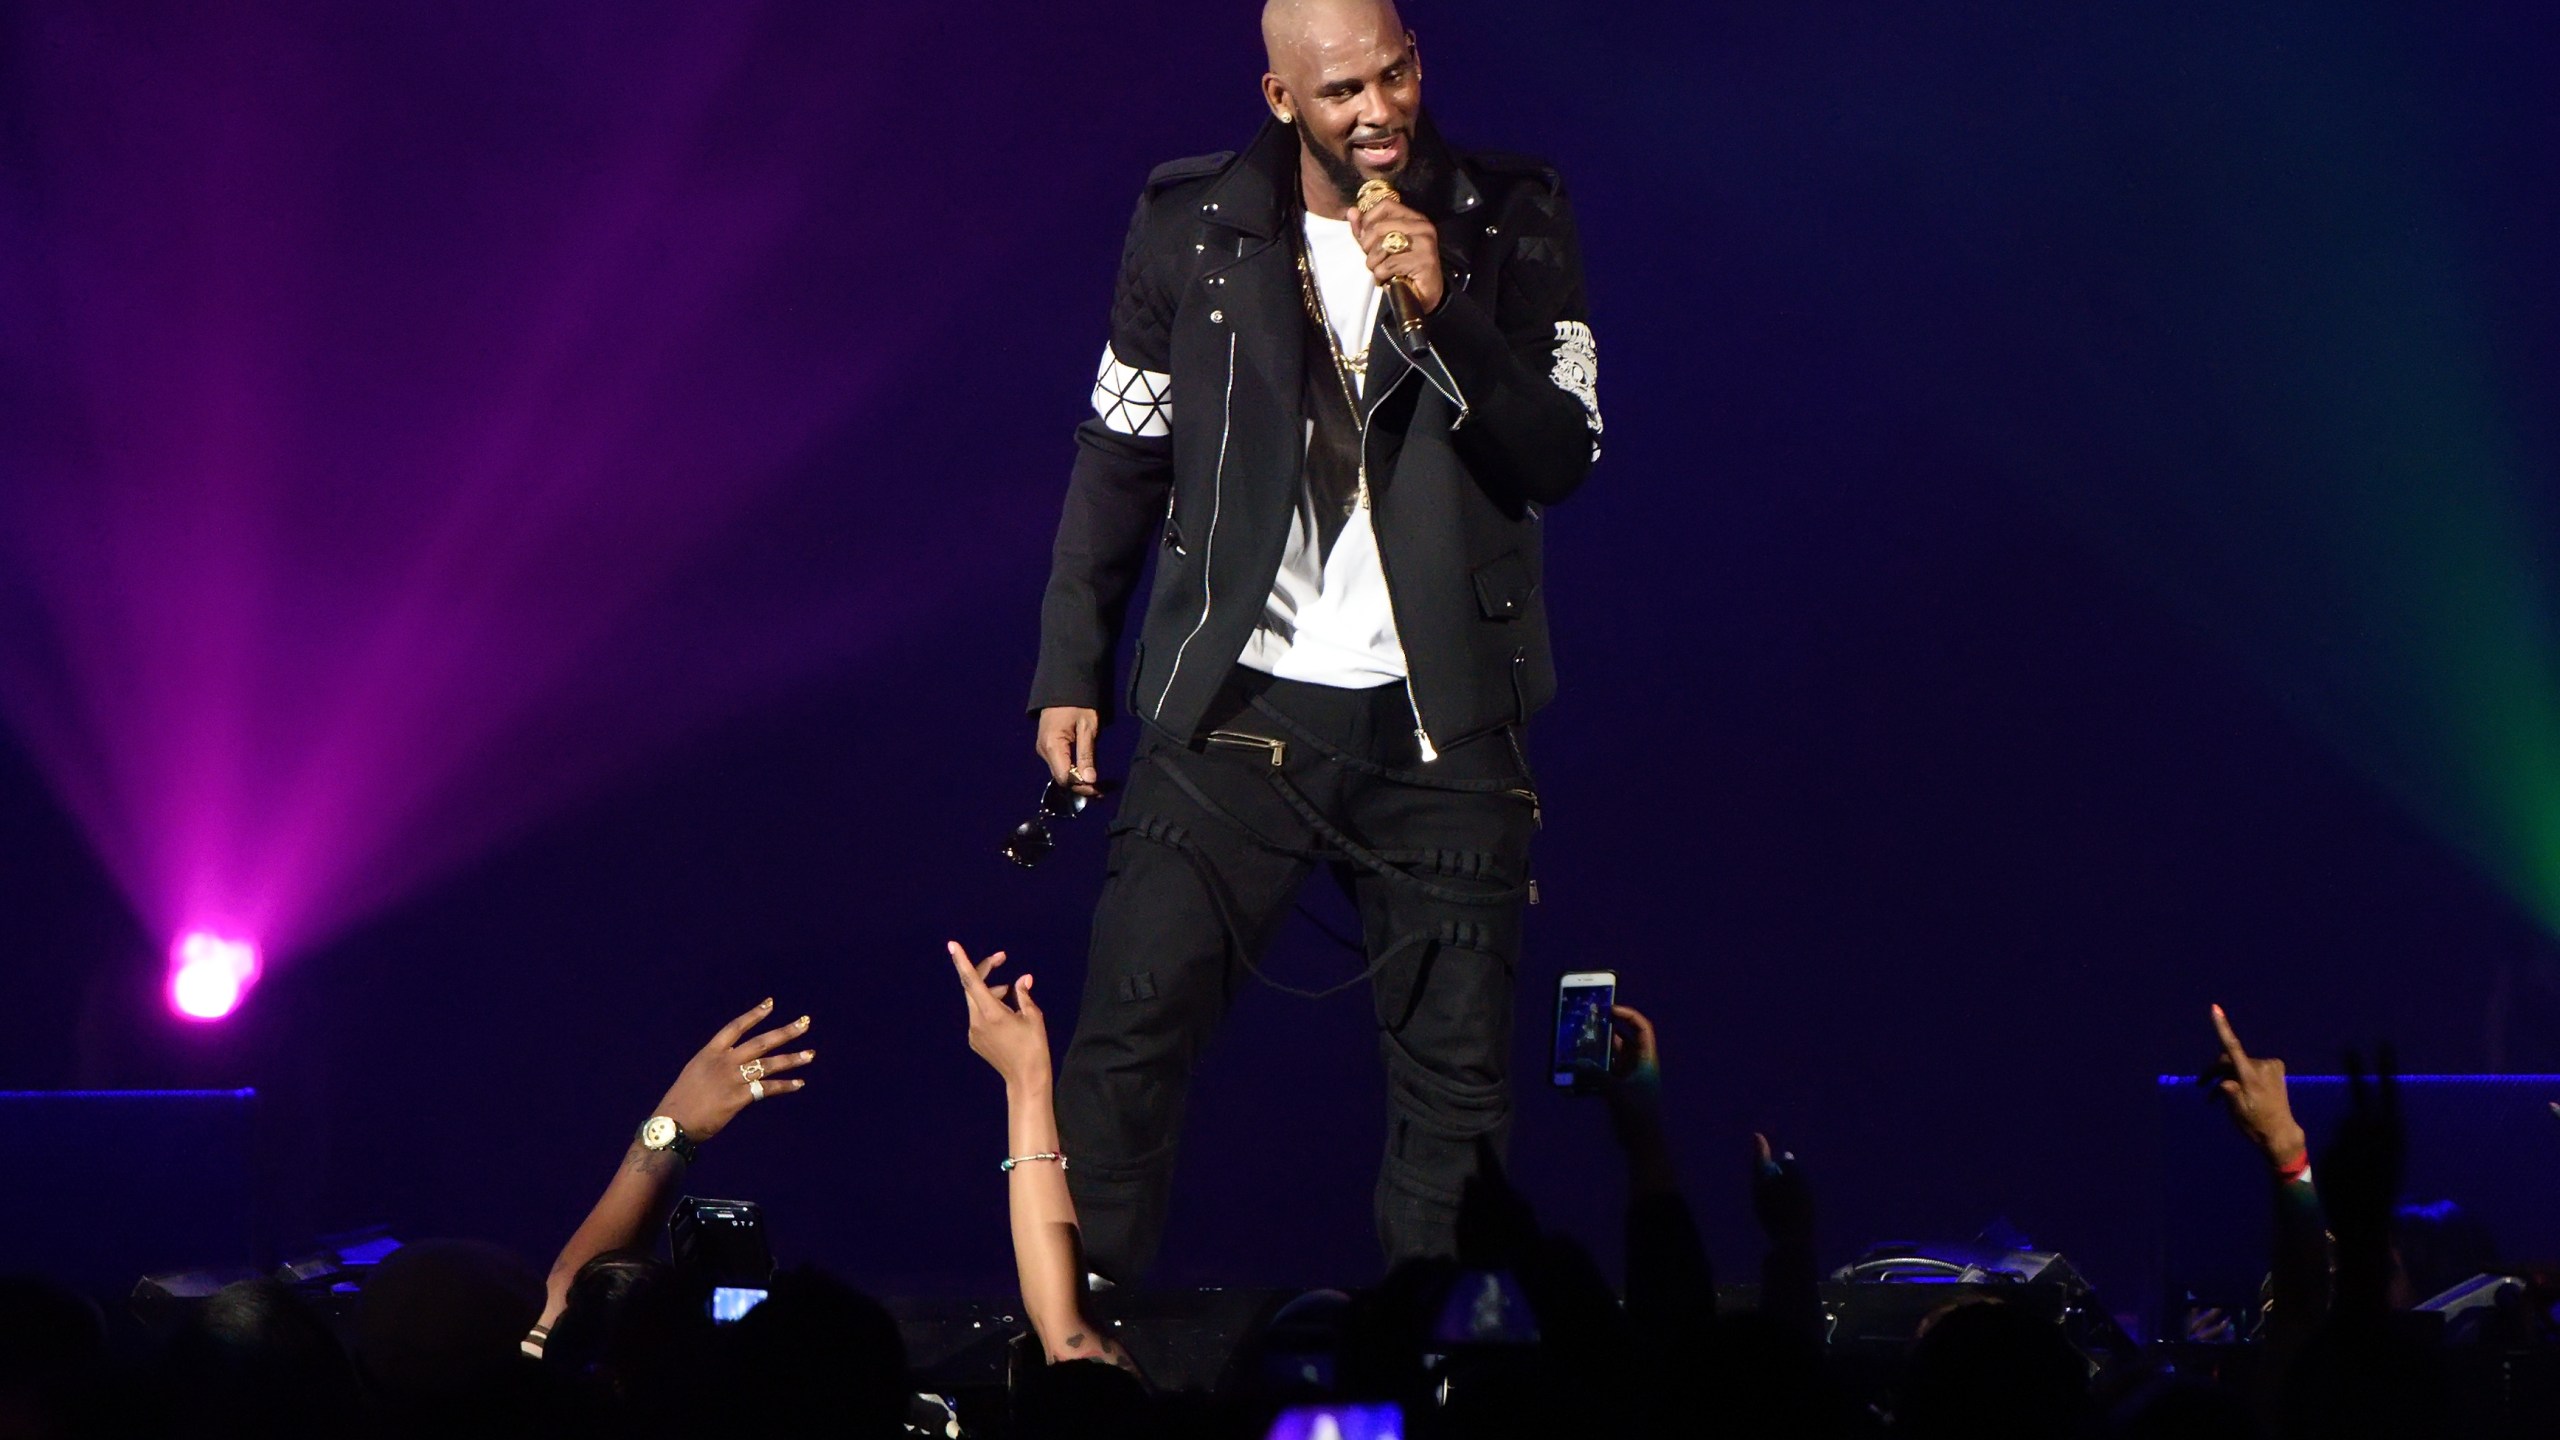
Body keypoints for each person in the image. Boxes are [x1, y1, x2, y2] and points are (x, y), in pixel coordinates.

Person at [1025, 0, 1604, 1284]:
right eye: (1344, 90)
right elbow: (1120, 452)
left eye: (1396, 73)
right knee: (1128, 1042)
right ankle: (1075, 1357)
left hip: (1441, 715)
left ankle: (1440, 1372)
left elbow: (1560, 455)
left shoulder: (1511, 213)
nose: (1381, 109)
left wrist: (1444, 309)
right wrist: (1071, 665)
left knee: (1455, 1091)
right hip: (1236, 710)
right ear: (1285, 99)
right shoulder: (1193, 225)